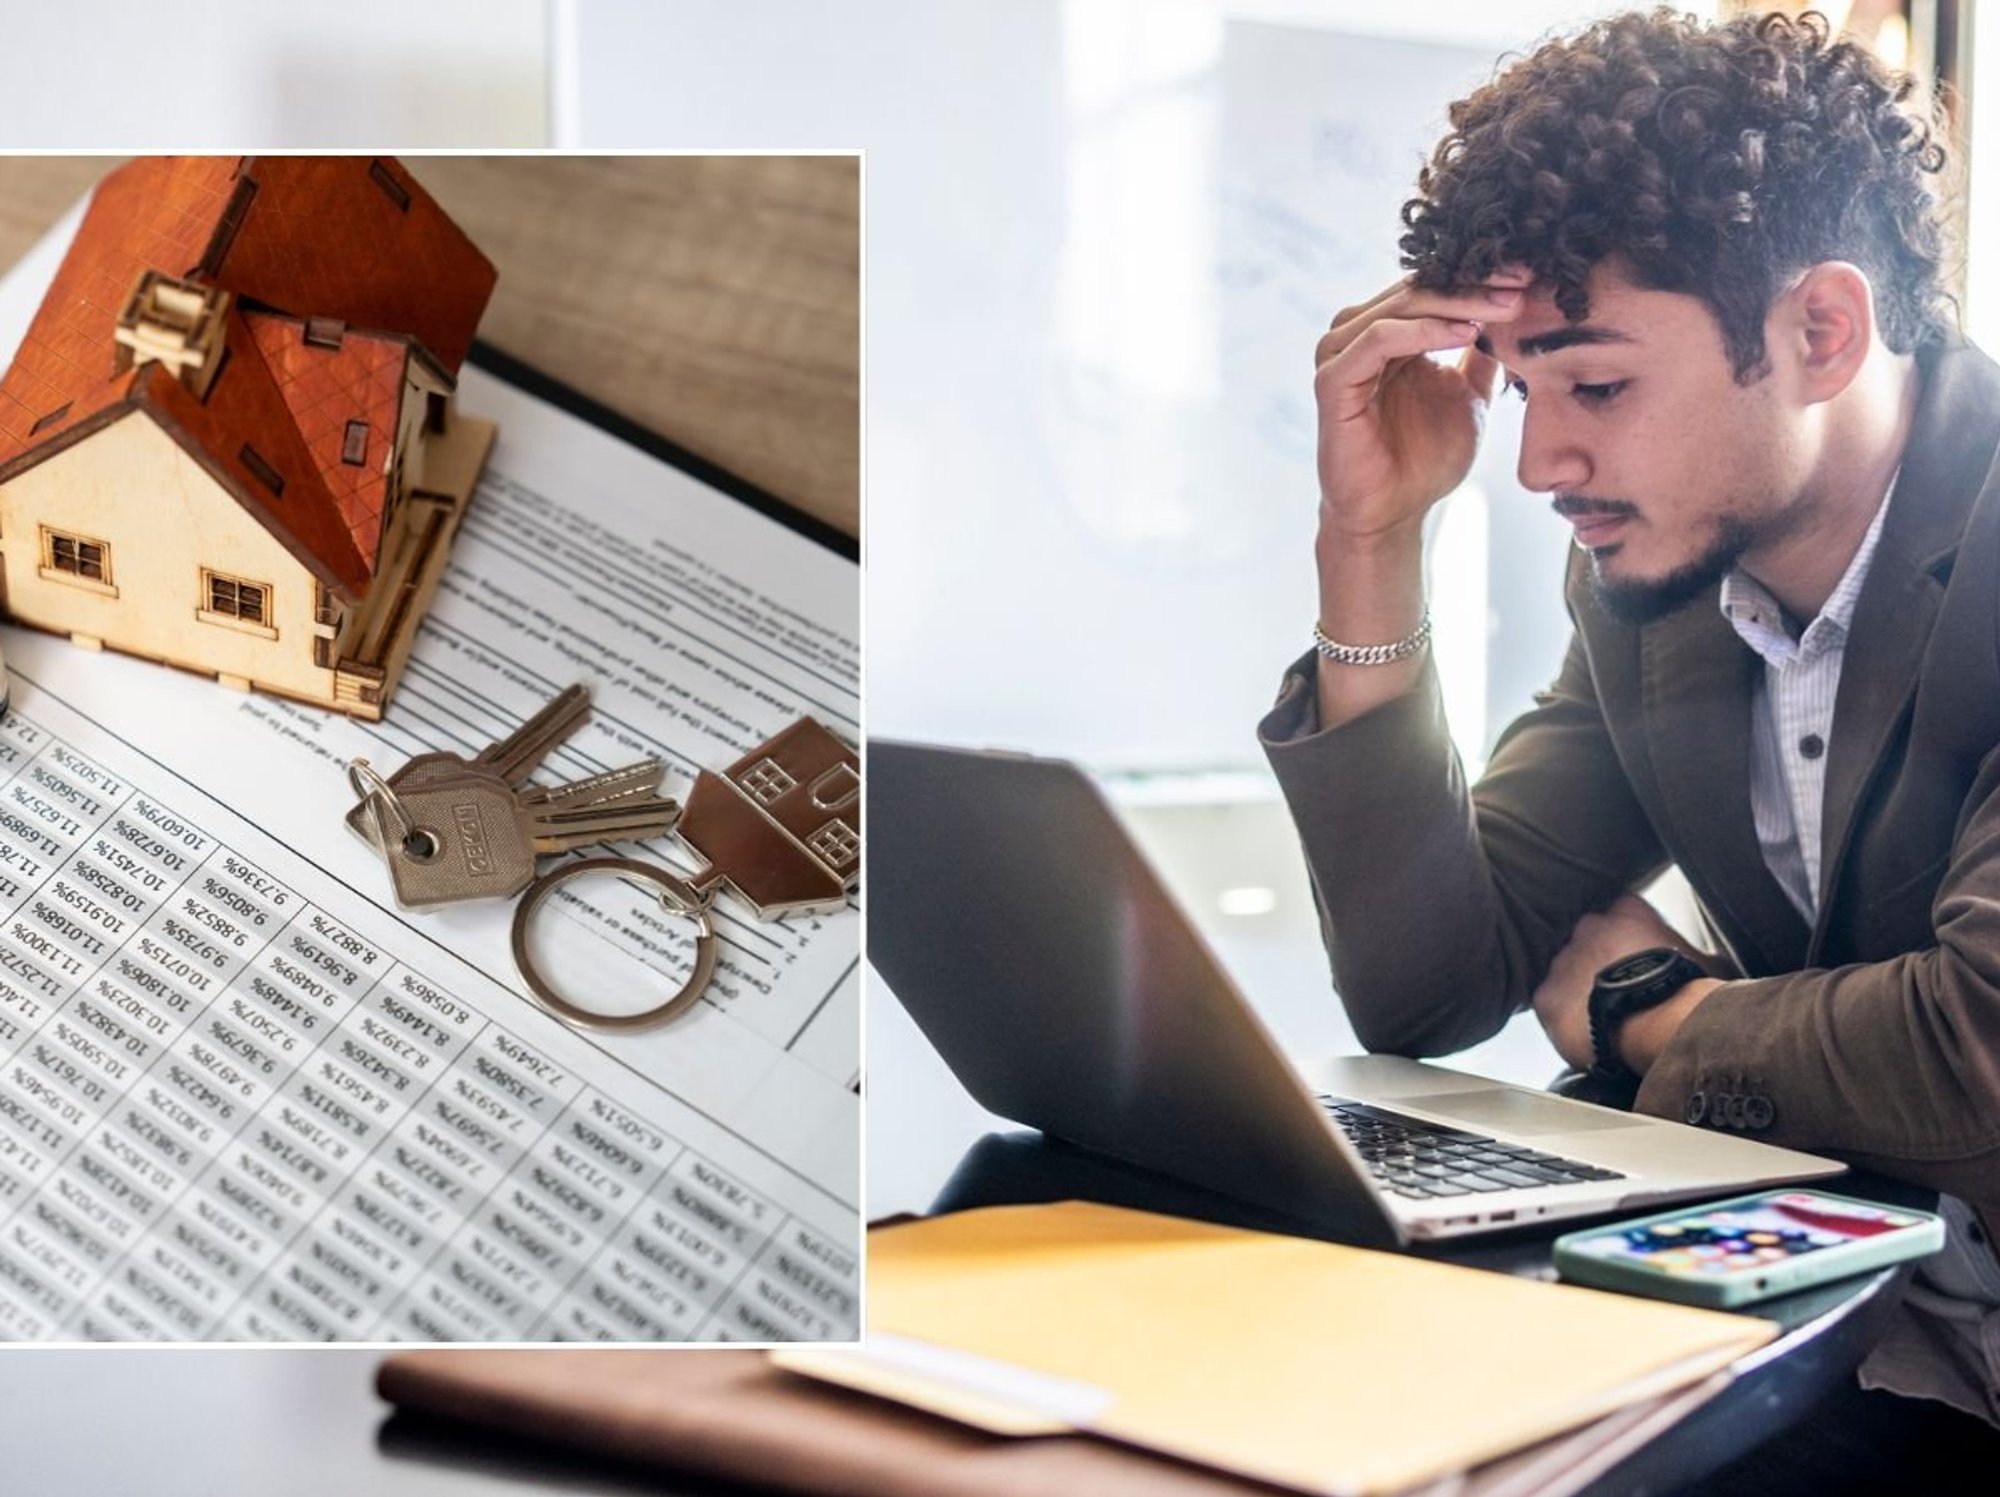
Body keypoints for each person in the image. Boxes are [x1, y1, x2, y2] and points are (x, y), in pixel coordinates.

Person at [1257, 8, 2000, 1487]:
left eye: (1595, 386)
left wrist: (1652, 1013)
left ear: (1822, 330)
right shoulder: (1655, 587)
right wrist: (1373, 541)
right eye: (1524, 389)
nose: (1539, 465)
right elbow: (1428, 982)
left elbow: (1979, 1045)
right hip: (1856, 1328)